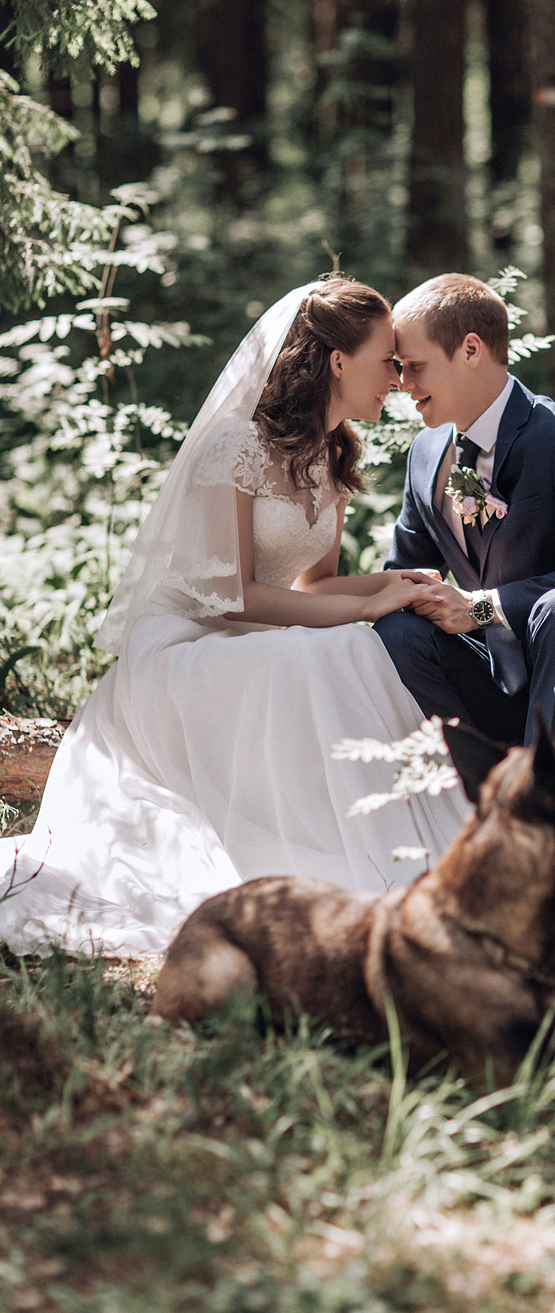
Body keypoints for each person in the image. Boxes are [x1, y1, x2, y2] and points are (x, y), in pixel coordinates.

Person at [0, 277, 472, 957]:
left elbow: (320, 583)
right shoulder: (236, 447)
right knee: (336, 647)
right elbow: (232, 594)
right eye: (386, 362)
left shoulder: (335, 455)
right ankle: (358, 852)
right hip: (186, 643)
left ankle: (391, 844)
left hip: (256, 636)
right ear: (338, 361)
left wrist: (396, 583)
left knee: (349, 647)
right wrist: (365, 607)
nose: (398, 381)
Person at [374, 274, 555, 747]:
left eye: (414, 366)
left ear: (471, 350)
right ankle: (480, 792)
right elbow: (405, 572)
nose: (402, 384)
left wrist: (484, 606)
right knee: (398, 629)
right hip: (498, 673)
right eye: (398, 367)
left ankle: (543, 805)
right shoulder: (426, 453)